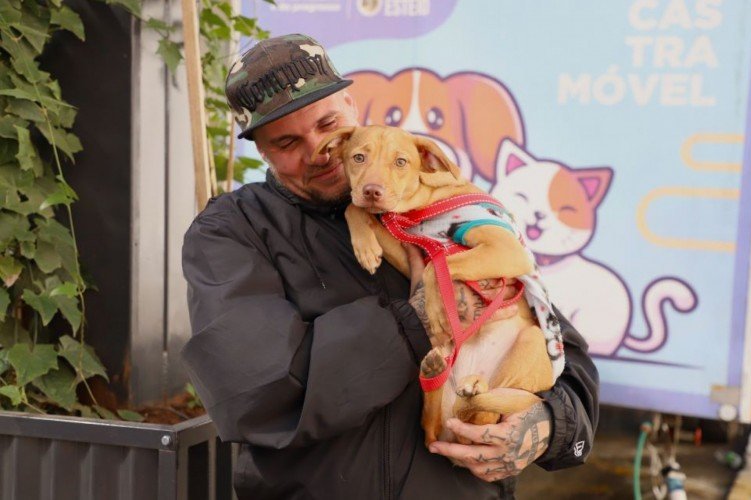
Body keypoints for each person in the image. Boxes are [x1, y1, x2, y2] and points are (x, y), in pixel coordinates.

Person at [181, 34, 599, 499]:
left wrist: (549, 423)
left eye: (328, 123)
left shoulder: (434, 202)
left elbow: (556, 345)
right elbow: (256, 394)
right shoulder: (233, 231)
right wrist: (417, 319)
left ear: (351, 107)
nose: (320, 150)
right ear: (260, 149)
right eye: (287, 142)